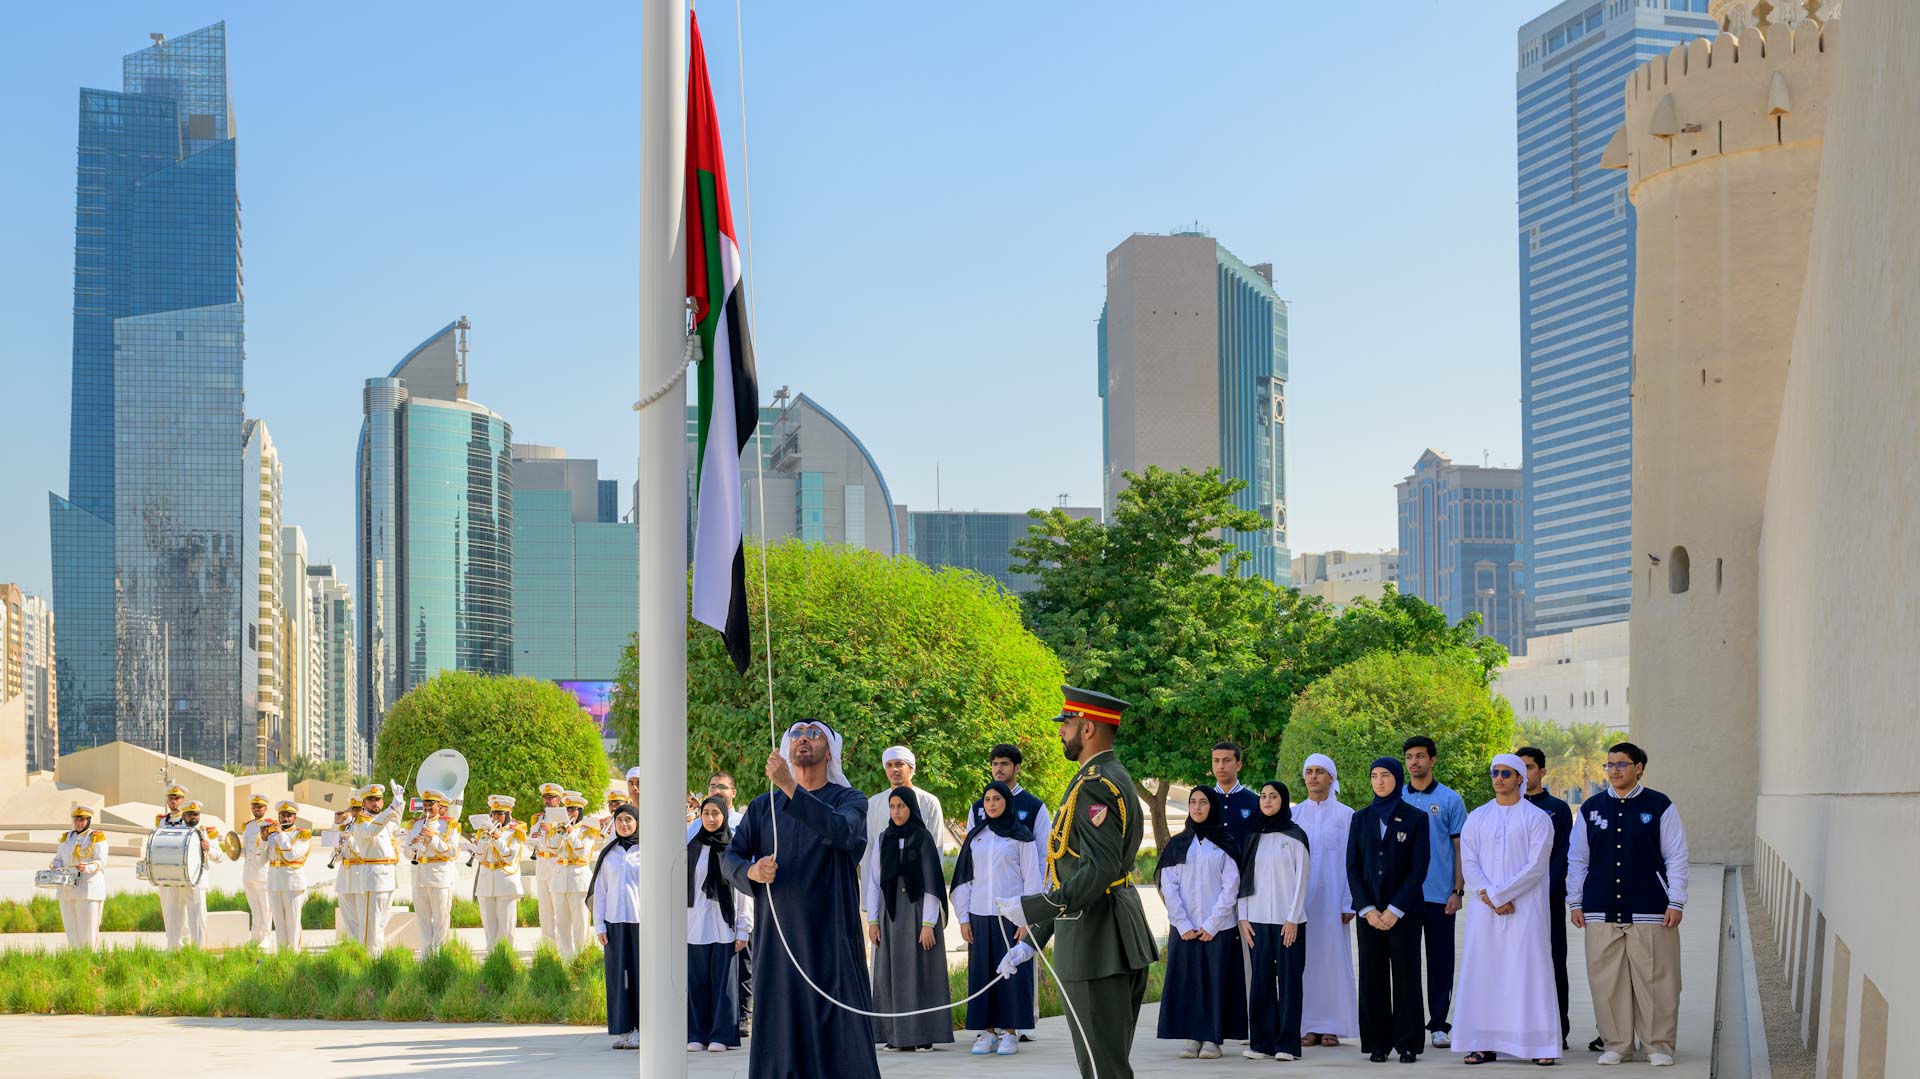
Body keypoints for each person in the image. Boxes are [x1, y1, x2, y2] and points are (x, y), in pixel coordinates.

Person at [1001, 686, 1158, 1079]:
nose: (1060, 733)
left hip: (1096, 945)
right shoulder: (1113, 775)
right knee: (1106, 1064)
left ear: (1087, 728)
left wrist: (1035, 906)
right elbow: (1083, 873)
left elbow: (1098, 869)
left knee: (1103, 1069)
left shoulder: (1094, 784)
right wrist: (1034, 937)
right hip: (1110, 934)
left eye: (1066, 725)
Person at [721, 719, 881, 1079]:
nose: (804, 739)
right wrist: (751, 871)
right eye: (797, 734)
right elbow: (730, 858)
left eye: (814, 734)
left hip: (832, 943)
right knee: (781, 1035)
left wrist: (789, 786)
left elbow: (840, 831)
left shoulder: (850, 800)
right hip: (778, 946)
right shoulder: (764, 808)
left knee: (839, 1042)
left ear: (831, 752)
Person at [1569, 742, 1688, 1068]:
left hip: (1650, 906)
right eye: (1610, 765)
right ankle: (1617, 1044)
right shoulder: (1591, 808)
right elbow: (1578, 859)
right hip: (1600, 907)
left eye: (1622, 764)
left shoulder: (1660, 805)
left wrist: (1676, 900)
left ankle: (1658, 1044)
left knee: (1656, 979)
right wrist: (1575, 901)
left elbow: (1675, 856)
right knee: (1606, 979)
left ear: (1639, 768)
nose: (1615, 770)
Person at [1453, 754, 1559, 1066]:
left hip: (1526, 910)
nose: (1499, 778)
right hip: (1485, 912)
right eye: (1495, 773)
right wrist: (1489, 896)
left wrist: (1501, 894)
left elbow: (1537, 866)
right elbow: (1469, 862)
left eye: (1506, 773)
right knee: (1485, 972)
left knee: (1529, 972)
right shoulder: (1477, 817)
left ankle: (1540, 1045)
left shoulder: (1537, 818)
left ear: (1519, 779)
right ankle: (1483, 1043)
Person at [1347, 757, 1431, 1064]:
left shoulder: (1416, 818)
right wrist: (1368, 909)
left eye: (1385, 775)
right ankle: (1377, 1043)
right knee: (1372, 977)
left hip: (1404, 913)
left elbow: (1419, 867)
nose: (1379, 781)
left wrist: (1395, 909)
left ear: (1397, 778)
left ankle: (1408, 1043)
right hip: (1370, 914)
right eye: (1374, 776)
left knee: (1407, 977)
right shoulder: (1361, 818)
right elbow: (1353, 867)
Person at [950, 779, 1044, 1056]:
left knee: (1012, 974)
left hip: (1012, 917)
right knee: (982, 974)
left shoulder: (1021, 836)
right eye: (987, 800)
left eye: (997, 799)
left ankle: (1011, 1033)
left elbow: (1032, 880)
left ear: (1007, 802)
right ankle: (988, 1032)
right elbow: (964, 878)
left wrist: (1028, 919)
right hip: (980, 915)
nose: (991, 805)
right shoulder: (975, 836)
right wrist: (963, 918)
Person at [1155, 785, 1247, 1059]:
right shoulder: (1178, 844)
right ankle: (1192, 1036)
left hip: (1217, 928)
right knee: (1189, 981)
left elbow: (1231, 888)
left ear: (1213, 807)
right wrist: (1183, 923)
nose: (1196, 807)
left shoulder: (1225, 843)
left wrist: (1211, 924)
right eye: (1193, 802)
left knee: (1215, 981)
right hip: (1185, 929)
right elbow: (1168, 886)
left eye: (1203, 802)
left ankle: (1212, 1039)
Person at [863, 786, 954, 1052]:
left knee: (919, 974)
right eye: (892, 807)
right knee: (889, 975)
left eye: (901, 806)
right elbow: (874, 881)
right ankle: (895, 1035)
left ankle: (922, 1034)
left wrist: (928, 924)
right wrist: (873, 920)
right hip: (890, 915)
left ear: (911, 807)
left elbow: (932, 884)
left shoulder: (922, 838)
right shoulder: (884, 839)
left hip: (917, 915)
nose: (896, 812)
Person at [1400, 734, 1468, 1048]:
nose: (1415, 762)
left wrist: (1458, 890)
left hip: (1440, 895)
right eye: (1410, 757)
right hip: (1403, 898)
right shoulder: (1396, 797)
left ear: (1433, 759)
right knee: (1406, 963)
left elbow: (1459, 849)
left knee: (1440, 962)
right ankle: (1407, 1024)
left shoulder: (1451, 800)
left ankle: (1439, 1024)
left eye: (1420, 756)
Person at [1237, 780, 1311, 1062]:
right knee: (1261, 983)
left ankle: (1288, 1045)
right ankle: (1261, 1043)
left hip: (1288, 923)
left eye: (1274, 796)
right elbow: (1244, 880)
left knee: (1290, 983)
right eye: (1264, 796)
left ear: (1283, 801)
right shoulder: (1252, 835)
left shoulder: (1295, 836)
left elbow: (1302, 881)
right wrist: (1243, 918)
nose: (1267, 801)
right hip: (1256, 921)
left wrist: (1292, 919)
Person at [1295, 753, 1360, 1048]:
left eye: (1320, 771)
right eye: (1309, 771)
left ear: (1331, 778)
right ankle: (1307, 1026)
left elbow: (1353, 861)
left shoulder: (1347, 815)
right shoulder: (1294, 815)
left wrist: (1349, 902)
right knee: (1304, 963)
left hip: (1335, 903)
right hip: (1303, 903)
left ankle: (1332, 1026)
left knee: (1334, 962)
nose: (1313, 777)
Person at [1518, 745, 1575, 1047]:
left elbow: (1563, 855)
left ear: (1542, 771)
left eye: (1529, 767)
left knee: (1553, 963)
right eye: (1520, 767)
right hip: (1513, 904)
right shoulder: (1504, 808)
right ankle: (1519, 1030)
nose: (1524, 773)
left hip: (1547, 902)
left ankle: (1557, 1031)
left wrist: (1543, 889)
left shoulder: (1558, 808)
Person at [688, 794, 751, 1052]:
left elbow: (745, 889)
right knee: (697, 982)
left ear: (724, 815)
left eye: (716, 813)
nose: (711, 818)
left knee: (724, 983)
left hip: (726, 925)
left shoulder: (734, 849)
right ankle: (696, 1034)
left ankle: (722, 1035)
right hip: (695, 924)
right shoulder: (692, 847)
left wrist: (744, 927)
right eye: (706, 813)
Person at [590, 803, 644, 1050]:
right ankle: (624, 1028)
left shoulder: (646, 850)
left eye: (629, 820)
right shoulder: (609, 853)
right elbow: (600, 891)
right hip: (614, 923)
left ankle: (643, 1028)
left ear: (637, 822)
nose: (624, 825)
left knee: (640, 976)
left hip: (641, 923)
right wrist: (599, 924)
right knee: (617, 977)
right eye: (620, 820)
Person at [862, 747, 945, 904]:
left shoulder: (929, 802)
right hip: (885, 891)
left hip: (920, 890)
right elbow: (869, 851)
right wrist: (868, 902)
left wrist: (934, 898)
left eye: (899, 764)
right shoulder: (874, 804)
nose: (894, 769)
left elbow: (936, 850)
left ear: (911, 768)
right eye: (889, 765)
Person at [347, 781, 405, 952]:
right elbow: (372, 830)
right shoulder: (360, 822)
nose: (375, 803)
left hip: (387, 876)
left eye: (379, 799)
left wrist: (399, 802)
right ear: (363, 803)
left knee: (380, 924)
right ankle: (368, 960)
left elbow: (395, 823)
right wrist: (391, 808)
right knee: (370, 925)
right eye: (371, 800)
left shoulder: (382, 821)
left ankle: (377, 958)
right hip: (373, 877)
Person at [467, 794, 527, 953]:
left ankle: (505, 956)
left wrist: (498, 839)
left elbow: (510, 856)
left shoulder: (516, 832)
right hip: (486, 882)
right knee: (488, 923)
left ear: (508, 813)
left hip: (506, 882)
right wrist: (482, 843)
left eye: (500, 814)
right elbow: (479, 857)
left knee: (506, 925)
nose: (495, 818)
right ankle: (492, 956)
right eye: (493, 814)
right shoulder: (483, 832)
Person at [405, 788, 460, 954]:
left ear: (439, 804)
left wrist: (433, 839)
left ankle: (440, 955)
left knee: (441, 919)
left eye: (431, 803)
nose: (427, 806)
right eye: (425, 803)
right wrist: (413, 845)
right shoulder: (415, 825)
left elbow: (453, 852)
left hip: (439, 876)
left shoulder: (449, 824)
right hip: (419, 875)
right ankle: (427, 954)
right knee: (422, 919)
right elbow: (407, 853)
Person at [549, 791, 599, 960]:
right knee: (561, 924)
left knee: (580, 924)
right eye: (567, 809)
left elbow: (583, 853)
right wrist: (558, 833)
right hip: (560, 879)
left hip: (579, 881)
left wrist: (570, 834)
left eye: (573, 809)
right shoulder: (559, 827)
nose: (570, 813)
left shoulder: (588, 829)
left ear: (580, 811)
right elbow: (552, 849)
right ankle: (566, 961)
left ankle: (581, 960)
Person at [52, 803, 106, 950]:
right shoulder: (66, 838)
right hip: (67, 889)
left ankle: (90, 961)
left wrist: (88, 867)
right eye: (76, 819)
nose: (79, 823)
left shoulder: (97, 837)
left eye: (82, 820)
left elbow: (101, 861)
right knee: (71, 931)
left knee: (88, 931)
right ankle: (77, 962)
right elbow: (58, 858)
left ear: (88, 820)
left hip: (88, 889)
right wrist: (56, 865)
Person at [174, 800, 227, 950]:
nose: (194, 817)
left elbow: (220, 857)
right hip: (180, 881)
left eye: (196, 814)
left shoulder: (207, 832)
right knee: (180, 920)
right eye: (190, 814)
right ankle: (181, 949)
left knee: (198, 919)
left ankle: (199, 951)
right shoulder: (177, 831)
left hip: (198, 881)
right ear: (183, 816)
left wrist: (209, 849)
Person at [264, 799, 311, 953]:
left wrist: (280, 834)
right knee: (279, 923)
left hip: (293, 884)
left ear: (295, 817)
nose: (285, 818)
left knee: (293, 923)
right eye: (283, 815)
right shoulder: (272, 836)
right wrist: (263, 839)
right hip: (274, 883)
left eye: (289, 815)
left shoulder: (302, 835)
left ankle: (294, 956)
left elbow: (291, 856)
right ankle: (283, 955)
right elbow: (260, 859)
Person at [528, 781, 567, 950]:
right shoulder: (537, 818)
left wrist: (550, 829)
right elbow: (530, 844)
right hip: (542, 865)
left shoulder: (564, 817)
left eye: (551, 798)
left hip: (556, 863)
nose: (547, 801)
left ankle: (562, 946)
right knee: (544, 909)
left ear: (559, 799)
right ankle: (548, 947)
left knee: (559, 908)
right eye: (545, 797)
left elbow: (564, 842)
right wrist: (534, 837)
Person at [152, 783, 191, 945]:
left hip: (181, 870)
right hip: (165, 870)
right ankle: (172, 941)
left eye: (177, 798)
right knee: (167, 907)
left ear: (183, 800)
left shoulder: (188, 819)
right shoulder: (162, 821)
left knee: (184, 909)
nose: (173, 801)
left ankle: (186, 941)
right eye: (171, 798)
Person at [1208, 742, 1262, 851]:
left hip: (1244, 867)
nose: (1221, 766)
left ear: (1238, 765)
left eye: (1227, 760)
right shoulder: (1204, 801)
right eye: (1216, 761)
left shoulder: (1255, 802)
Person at [238, 794, 275, 947]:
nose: (256, 809)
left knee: (266, 907)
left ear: (265, 808)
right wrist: (233, 850)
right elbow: (245, 849)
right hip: (248, 872)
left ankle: (266, 936)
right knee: (254, 906)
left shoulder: (270, 825)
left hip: (263, 872)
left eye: (259, 806)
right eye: (254, 806)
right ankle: (255, 935)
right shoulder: (248, 826)